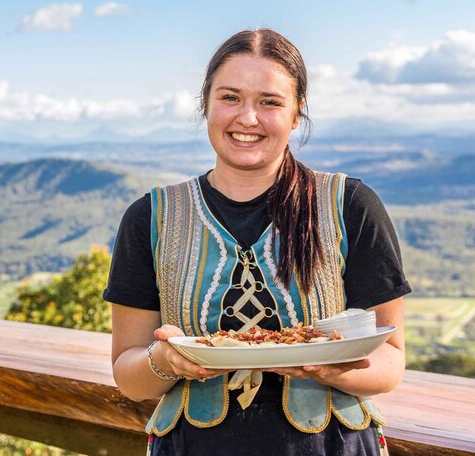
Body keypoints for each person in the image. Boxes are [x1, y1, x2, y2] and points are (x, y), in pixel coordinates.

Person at [103, 28, 410, 455]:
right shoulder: (151, 217)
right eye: (230, 98)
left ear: (296, 113)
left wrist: (331, 369)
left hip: (329, 446)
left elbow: (390, 360)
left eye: (269, 102)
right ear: (205, 104)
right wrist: (165, 360)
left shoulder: (349, 206)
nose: (247, 118)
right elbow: (129, 376)